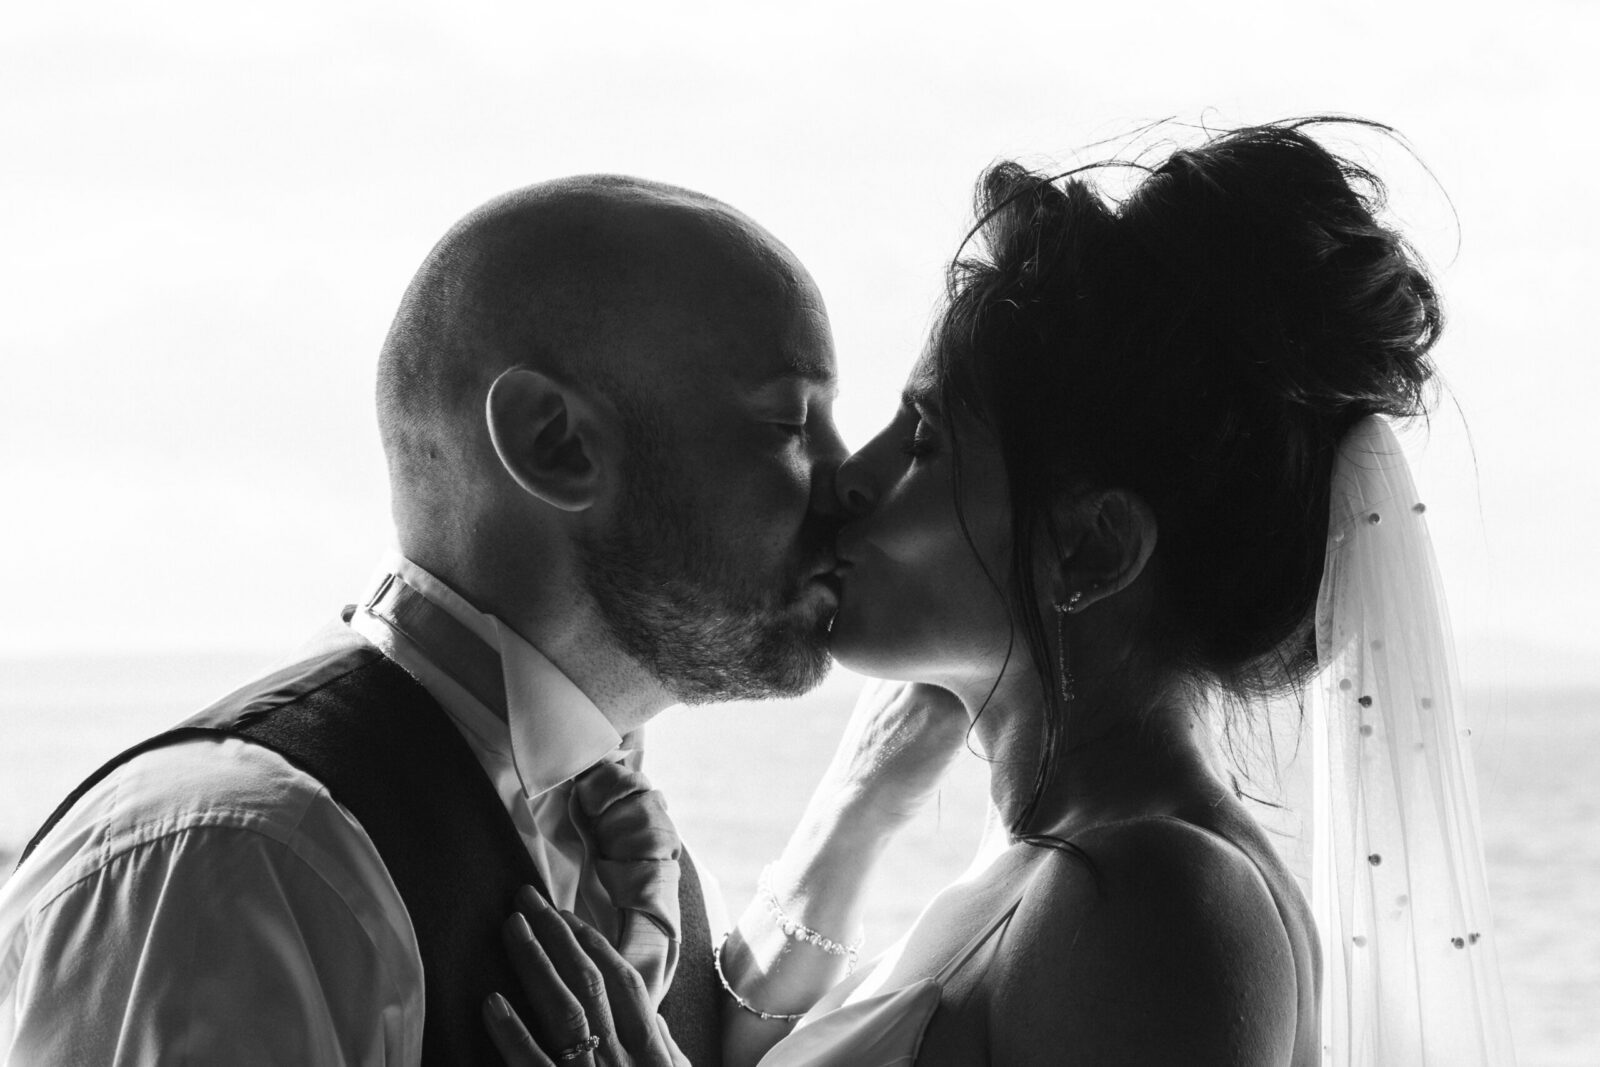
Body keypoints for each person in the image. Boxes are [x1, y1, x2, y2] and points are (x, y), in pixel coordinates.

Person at [488, 120, 1514, 1065]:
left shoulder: (1155, 900)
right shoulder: (1061, 858)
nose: (849, 478)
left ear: (1089, 547)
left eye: (924, 440)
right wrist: (857, 808)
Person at [0, 175, 911, 1064]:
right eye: (790, 423)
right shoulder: (238, 866)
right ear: (553, 442)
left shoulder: (606, 821)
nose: (852, 484)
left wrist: (867, 800)